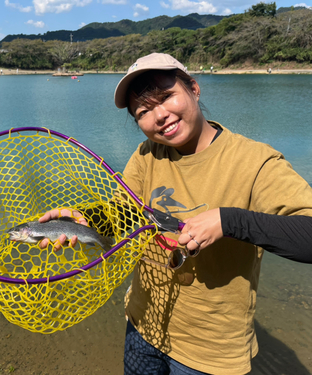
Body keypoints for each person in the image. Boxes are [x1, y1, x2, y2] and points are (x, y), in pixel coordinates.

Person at [39, 53, 312, 374]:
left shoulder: (256, 162)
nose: (159, 116)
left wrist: (229, 221)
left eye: (167, 97)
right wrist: (86, 219)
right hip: (142, 327)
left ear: (194, 88)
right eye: (143, 111)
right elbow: (124, 214)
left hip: (210, 355)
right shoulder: (146, 155)